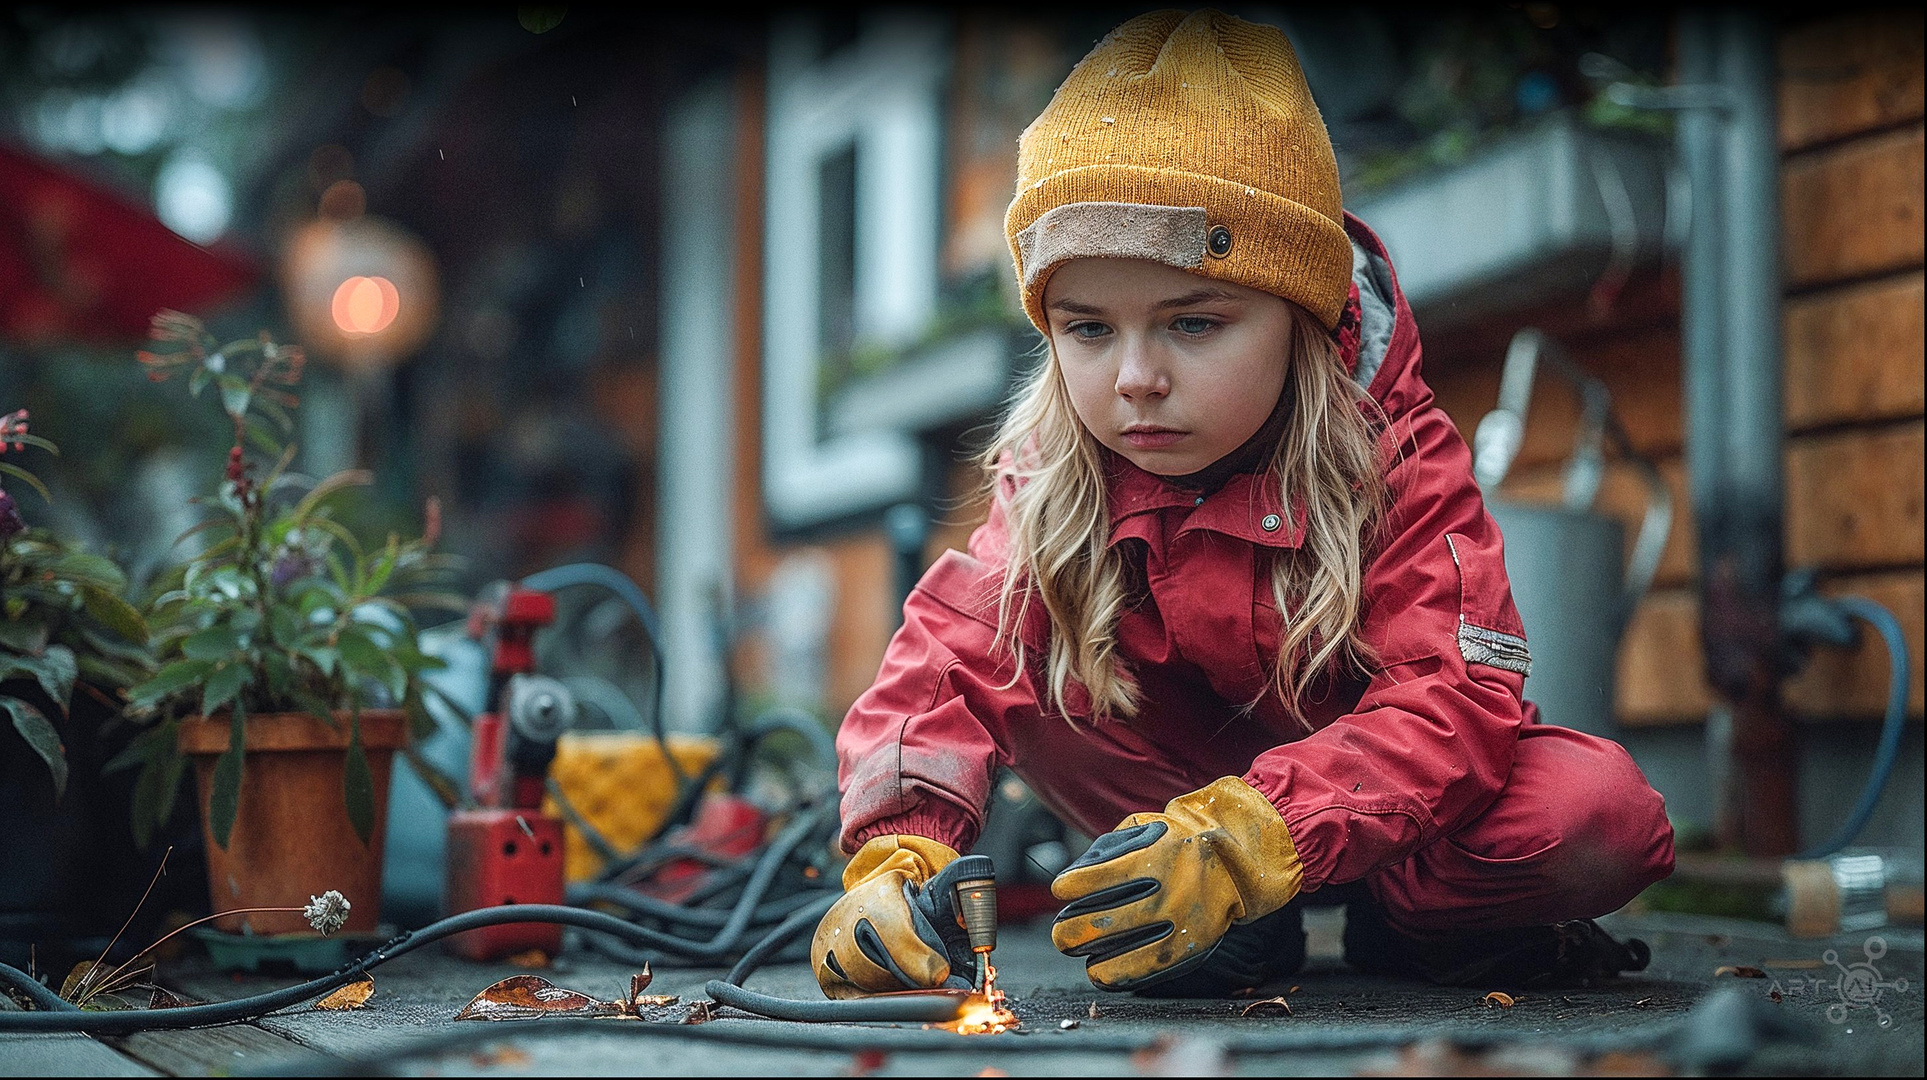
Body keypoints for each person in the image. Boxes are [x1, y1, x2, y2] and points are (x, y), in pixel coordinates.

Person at [811, 9, 1675, 999]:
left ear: (1299, 315)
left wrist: (1251, 836)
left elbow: (1451, 702)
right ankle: (1196, 918)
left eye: (1193, 322)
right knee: (1016, 629)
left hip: (1387, 826)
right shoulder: (1063, 461)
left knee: (1597, 812)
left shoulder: (1394, 453)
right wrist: (898, 857)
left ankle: (1413, 926)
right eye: (1087, 328)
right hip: (1167, 805)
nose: (1135, 377)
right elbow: (947, 658)